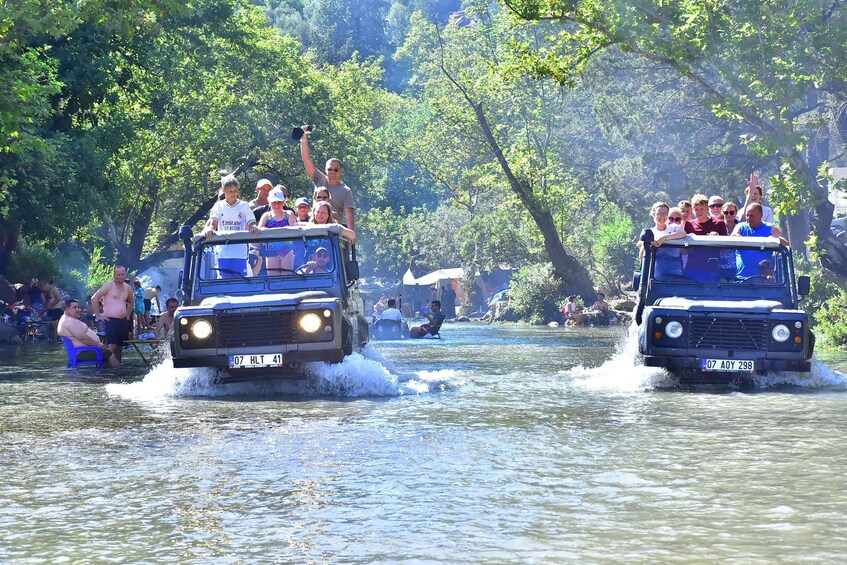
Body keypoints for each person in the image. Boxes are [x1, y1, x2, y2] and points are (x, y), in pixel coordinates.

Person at [205, 175, 261, 278]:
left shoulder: (244, 206)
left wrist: (254, 227)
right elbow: (213, 223)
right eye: (230, 191)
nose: (233, 193)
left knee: (241, 280)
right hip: (223, 252)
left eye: (235, 191)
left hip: (240, 252)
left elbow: (251, 222)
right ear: (224, 190)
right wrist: (210, 229)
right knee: (225, 280)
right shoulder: (218, 206)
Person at [300, 126, 356, 230]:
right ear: (326, 170)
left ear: (341, 170)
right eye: (330, 169)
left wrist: (352, 234)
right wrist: (304, 137)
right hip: (314, 228)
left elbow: (349, 214)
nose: (332, 172)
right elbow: (306, 159)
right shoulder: (320, 180)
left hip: (333, 230)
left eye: (335, 169)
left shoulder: (345, 191)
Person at [90, 265, 134, 362]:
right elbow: (94, 298)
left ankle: (118, 367)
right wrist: (98, 315)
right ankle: (107, 368)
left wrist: (128, 315)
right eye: (118, 274)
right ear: (114, 275)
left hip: (123, 320)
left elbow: (131, 302)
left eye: (123, 274)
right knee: (112, 345)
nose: (121, 277)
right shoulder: (109, 285)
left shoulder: (128, 288)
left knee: (120, 346)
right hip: (111, 319)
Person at [58, 299, 120, 368]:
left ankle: (106, 374)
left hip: (85, 350)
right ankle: (118, 374)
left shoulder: (68, 319)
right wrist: (98, 345)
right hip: (82, 352)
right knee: (110, 355)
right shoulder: (68, 321)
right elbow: (82, 337)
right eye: (74, 307)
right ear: (66, 309)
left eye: (78, 307)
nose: (78, 309)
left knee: (107, 353)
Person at [731, 202, 788, 277]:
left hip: (764, 280)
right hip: (741, 279)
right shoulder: (740, 227)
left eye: (752, 216)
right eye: (747, 215)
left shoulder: (771, 228)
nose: (748, 218)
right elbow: (732, 237)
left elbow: (786, 245)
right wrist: (736, 236)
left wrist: (776, 239)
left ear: (761, 215)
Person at [684, 193, 728, 281]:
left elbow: (725, 249)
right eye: (696, 209)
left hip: (712, 269)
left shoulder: (719, 223)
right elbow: (684, 250)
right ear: (692, 210)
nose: (699, 212)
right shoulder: (689, 224)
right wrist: (689, 238)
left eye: (702, 209)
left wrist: (717, 238)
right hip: (692, 268)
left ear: (707, 208)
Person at [639, 202, 686, 278]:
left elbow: (682, 233)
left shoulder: (673, 227)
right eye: (659, 213)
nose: (662, 216)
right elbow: (641, 256)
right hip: (657, 264)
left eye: (664, 213)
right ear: (654, 214)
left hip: (674, 263)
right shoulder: (650, 232)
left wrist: (663, 238)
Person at [258, 187, 297, 275]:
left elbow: (294, 228)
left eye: (279, 202)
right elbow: (259, 229)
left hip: (287, 250)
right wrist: (266, 230)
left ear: (283, 202)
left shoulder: (289, 214)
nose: (277, 205)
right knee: (273, 280)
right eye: (274, 202)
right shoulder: (266, 215)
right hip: (271, 250)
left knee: (286, 278)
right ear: (269, 202)